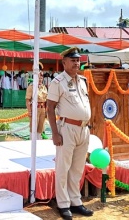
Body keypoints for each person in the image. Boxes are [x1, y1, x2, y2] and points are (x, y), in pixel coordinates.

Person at [47, 47, 94, 220]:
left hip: (83, 129)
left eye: (78, 60)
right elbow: (50, 108)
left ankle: (76, 201)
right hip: (66, 129)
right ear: (64, 62)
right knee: (63, 167)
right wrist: (54, 133)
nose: (76, 62)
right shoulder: (57, 82)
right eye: (73, 60)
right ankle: (63, 204)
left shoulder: (82, 80)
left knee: (77, 168)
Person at [26, 62, 48, 140]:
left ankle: (39, 141)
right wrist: (29, 111)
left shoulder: (44, 87)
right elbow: (28, 100)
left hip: (43, 109)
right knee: (33, 127)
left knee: (41, 126)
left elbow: (46, 100)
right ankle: (32, 141)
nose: (40, 79)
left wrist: (46, 111)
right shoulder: (31, 87)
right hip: (35, 108)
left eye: (41, 78)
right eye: (39, 77)